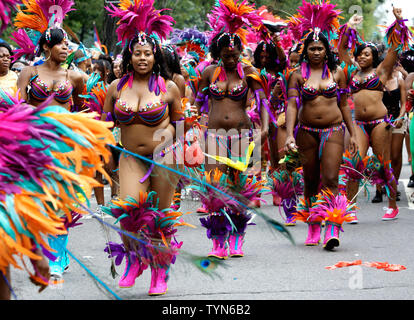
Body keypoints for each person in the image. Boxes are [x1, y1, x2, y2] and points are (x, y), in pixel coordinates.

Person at [102, 0, 196, 296]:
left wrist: (166, 134)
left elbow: (181, 123)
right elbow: (105, 124)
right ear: (129, 55)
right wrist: (102, 152)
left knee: (160, 218)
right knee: (128, 212)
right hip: (130, 157)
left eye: (148, 53)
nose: (142, 58)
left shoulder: (169, 87)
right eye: (137, 53)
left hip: (164, 157)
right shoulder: (116, 87)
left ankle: (160, 271)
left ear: (155, 56)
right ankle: (133, 260)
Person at [13, 0, 87, 282]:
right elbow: (17, 107)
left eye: (67, 43)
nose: (66, 47)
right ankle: (51, 251)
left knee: (61, 202)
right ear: (46, 47)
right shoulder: (29, 73)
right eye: (60, 43)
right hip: (35, 144)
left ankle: (55, 257)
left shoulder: (76, 76)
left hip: (65, 147)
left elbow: (83, 110)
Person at [193, 0, 268, 259]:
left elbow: (263, 104)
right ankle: (217, 240)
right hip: (213, 137)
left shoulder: (249, 73)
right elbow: (198, 102)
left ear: (240, 52)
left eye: (235, 55)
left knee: (238, 188)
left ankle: (236, 236)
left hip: (241, 137)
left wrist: (265, 129)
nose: (231, 59)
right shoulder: (209, 73)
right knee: (215, 188)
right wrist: (193, 122)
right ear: (218, 53)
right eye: (226, 55)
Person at [285, 0, 357, 250]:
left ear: (327, 50)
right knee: (310, 178)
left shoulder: (338, 72)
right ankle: (314, 223)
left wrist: (353, 131)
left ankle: (333, 227)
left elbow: (345, 104)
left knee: (330, 178)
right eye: (312, 48)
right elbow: (292, 105)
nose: (316, 52)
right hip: (306, 132)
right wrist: (289, 135)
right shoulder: (296, 74)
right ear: (305, 50)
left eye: (320, 48)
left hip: (334, 130)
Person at [338, 7, 410, 221]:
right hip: (359, 123)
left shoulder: (381, 72)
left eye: (366, 54)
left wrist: (398, 22)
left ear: (374, 57)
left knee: (383, 163)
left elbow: (395, 48)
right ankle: (348, 208)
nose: (361, 57)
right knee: (353, 163)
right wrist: (350, 26)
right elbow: (342, 50)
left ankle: (391, 205)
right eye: (359, 54)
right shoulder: (352, 71)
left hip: (380, 123)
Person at [372, 65, 407, 203]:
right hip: (381, 121)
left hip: (397, 120)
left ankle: (393, 186)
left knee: (396, 155)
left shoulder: (400, 80)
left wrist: (400, 117)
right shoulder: (377, 81)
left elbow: (403, 103)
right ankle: (379, 189)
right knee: (379, 156)